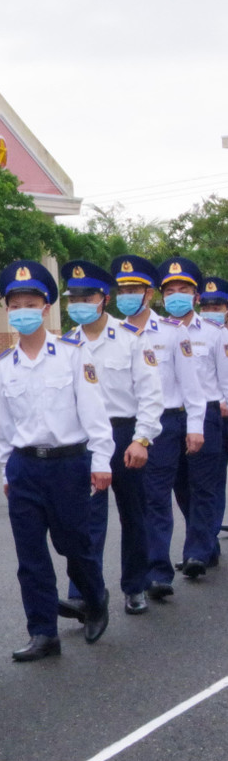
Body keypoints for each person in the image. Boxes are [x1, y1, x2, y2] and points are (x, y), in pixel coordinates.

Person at [0, 261, 114, 661]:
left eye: (31, 303)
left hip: (68, 465)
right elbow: (5, 423)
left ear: (45, 308)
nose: (23, 310)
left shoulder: (72, 356)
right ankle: (43, 632)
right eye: (16, 304)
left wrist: (102, 461)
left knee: (74, 546)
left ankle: (95, 599)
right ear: (8, 309)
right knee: (30, 556)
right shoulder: (4, 365)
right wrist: (8, 468)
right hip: (25, 467)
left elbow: (95, 413)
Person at [56, 261, 161, 620]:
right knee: (85, 519)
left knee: (134, 514)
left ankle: (135, 586)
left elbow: (151, 394)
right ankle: (85, 593)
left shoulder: (131, 339)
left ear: (103, 298)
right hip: (84, 439)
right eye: (74, 297)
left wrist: (142, 439)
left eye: (86, 296)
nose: (79, 302)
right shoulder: (66, 343)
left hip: (124, 434)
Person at [113, 254, 205, 600]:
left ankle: (157, 572)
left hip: (164, 423)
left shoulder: (172, 333)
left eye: (134, 289)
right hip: (122, 425)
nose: (127, 296)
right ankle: (135, 574)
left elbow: (192, 386)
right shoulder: (111, 334)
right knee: (131, 503)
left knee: (155, 498)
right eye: (122, 290)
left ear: (148, 294)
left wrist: (195, 426)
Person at [158, 257, 228, 580]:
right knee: (182, 487)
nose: (176, 294)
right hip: (171, 418)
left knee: (205, 486)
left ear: (195, 296)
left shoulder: (214, 334)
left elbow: (225, 380)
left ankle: (196, 552)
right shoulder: (155, 334)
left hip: (209, 415)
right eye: (169, 289)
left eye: (183, 289)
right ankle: (206, 543)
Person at [196, 276, 228, 559]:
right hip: (216, 414)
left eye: (217, 304)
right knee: (213, 479)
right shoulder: (203, 335)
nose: (211, 310)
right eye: (206, 305)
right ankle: (209, 538)